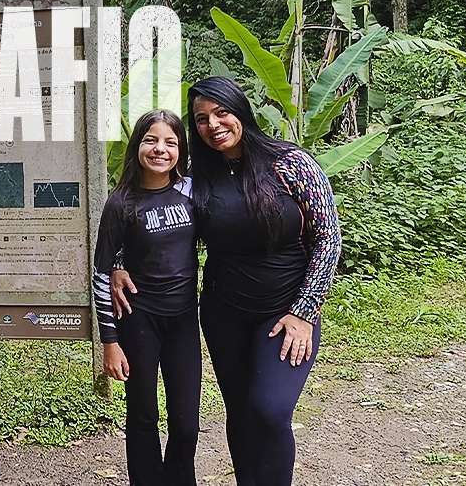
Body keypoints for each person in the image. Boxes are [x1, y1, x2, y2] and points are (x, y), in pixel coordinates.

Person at [187, 76, 341, 486]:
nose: (213, 125)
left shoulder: (292, 163)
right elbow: (149, 215)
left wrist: (304, 313)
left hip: (286, 312)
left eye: (221, 112)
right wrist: (119, 263)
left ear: (240, 111)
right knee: (240, 412)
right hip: (224, 313)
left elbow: (328, 237)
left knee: (270, 410)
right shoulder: (197, 176)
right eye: (201, 119)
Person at [95, 109, 201, 486]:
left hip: (183, 320)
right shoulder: (121, 202)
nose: (160, 149)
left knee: (186, 422)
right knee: (142, 414)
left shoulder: (192, 191)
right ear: (137, 146)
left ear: (181, 149)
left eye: (170, 142)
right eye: (151, 140)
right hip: (138, 318)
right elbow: (101, 273)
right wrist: (110, 343)